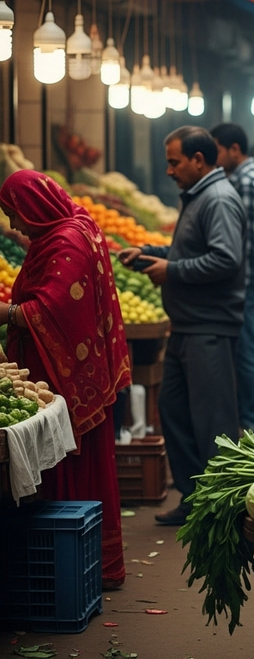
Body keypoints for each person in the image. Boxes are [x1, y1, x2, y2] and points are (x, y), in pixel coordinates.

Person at [0, 170, 132, 589]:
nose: (13, 226)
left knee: (68, 465)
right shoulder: (74, 223)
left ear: (34, 209)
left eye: (14, 215)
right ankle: (81, 566)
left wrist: (6, 314)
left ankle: (75, 570)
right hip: (67, 372)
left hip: (67, 378)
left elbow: (54, 309)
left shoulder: (66, 240)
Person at [118, 126, 246, 527]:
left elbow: (226, 259)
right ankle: (194, 499)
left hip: (209, 327)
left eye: (174, 162)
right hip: (187, 327)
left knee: (213, 421)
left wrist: (170, 270)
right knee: (173, 409)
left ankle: (223, 508)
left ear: (198, 160)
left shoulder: (219, 199)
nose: (169, 170)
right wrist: (152, 253)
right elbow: (192, 250)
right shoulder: (198, 197)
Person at [210, 122, 254, 434]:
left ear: (234, 149)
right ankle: (253, 416)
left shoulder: (246, 181)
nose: (215, 156)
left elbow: (239, 239)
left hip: (250, 279)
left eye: (218, 149)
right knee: (252, 349)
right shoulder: (250, 177)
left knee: (249, 352)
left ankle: (251, 420)